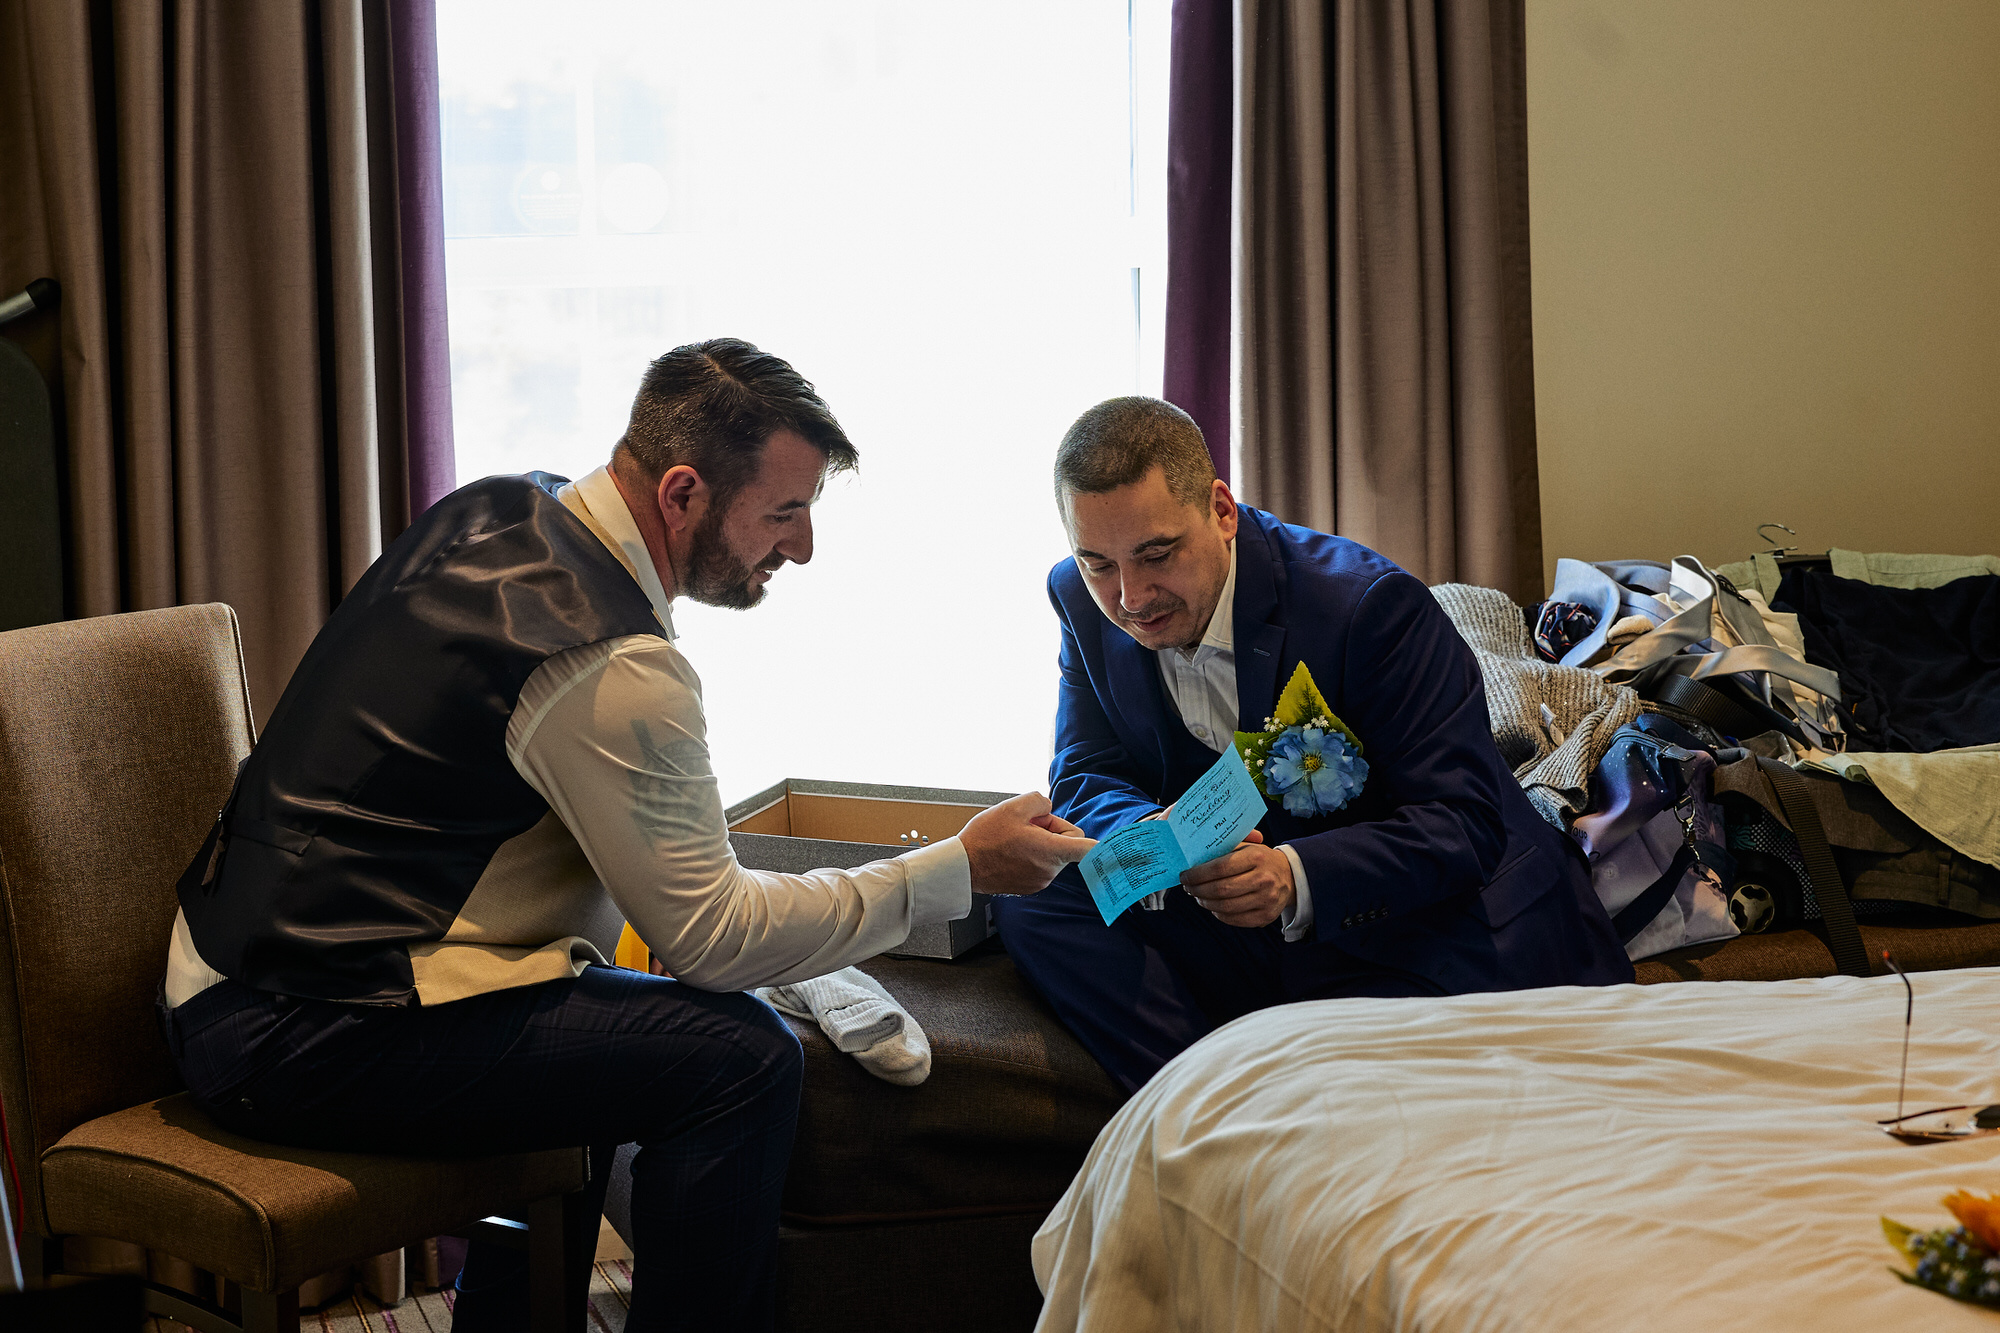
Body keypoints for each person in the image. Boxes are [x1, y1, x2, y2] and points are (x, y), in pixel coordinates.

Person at [160, 339, 1091, 1332]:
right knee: (736, 1060)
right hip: (295, 1031)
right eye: (783, 511)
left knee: (607, 1018)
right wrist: (957, 868)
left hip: (235, 972)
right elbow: (713, 941)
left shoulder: (506, 508)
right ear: (683, 493)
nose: (803, 547)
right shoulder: (609, 660)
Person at [992, 397, 1631, 1095]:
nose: (1131, 597)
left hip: (1421, 924)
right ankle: (1209, 1103)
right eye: (1098, 563)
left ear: (1221, 511)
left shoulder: (1367, 607)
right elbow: (1086, 770)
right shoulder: (1079, 599)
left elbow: (1464, 822)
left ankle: (1295, 1089)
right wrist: (1153, 835)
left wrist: (1294, 877)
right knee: (1033, 897)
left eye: (1157, 555)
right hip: (1234, 914)